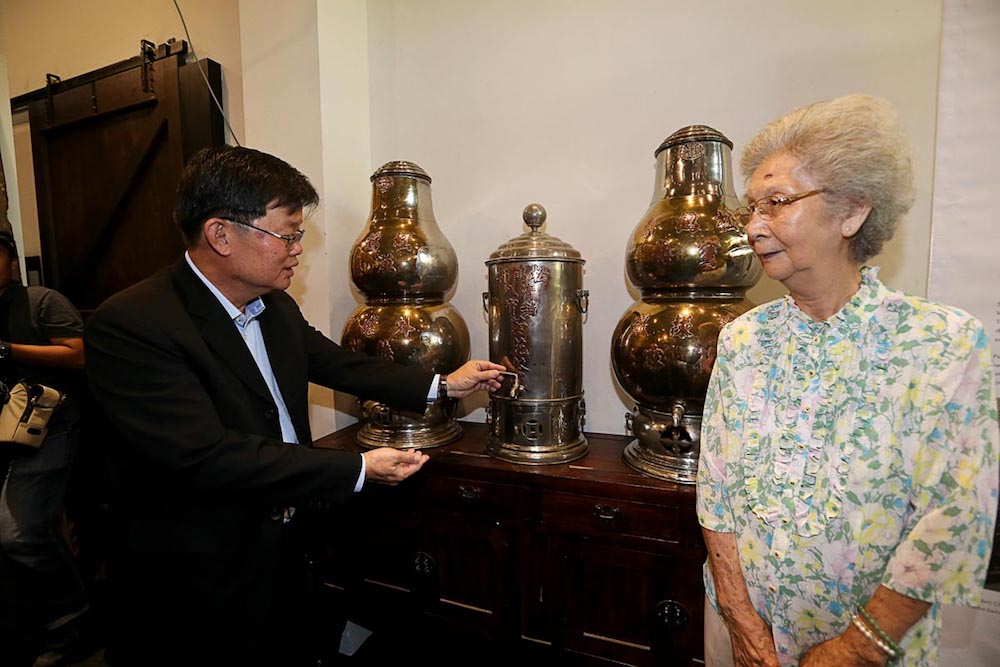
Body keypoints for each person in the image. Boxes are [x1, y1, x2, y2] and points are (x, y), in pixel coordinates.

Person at [84, 146, 504, 666]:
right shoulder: (133, 324)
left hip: (288, 545)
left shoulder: (273, 305)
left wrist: (441, 385)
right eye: (288, 234)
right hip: (201, 567)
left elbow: (341, 366)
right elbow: (203, 455)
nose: (297, 250)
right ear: (222, 235)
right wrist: (356, 467)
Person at [696, 94, 998, 667]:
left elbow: (954, 519)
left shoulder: (944, 345)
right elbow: (717, 492)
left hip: (874, 654)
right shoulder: (742, 339)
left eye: (777, 202)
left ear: (852, 212)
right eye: (751, 208)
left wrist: (856, 651)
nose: (754, 227)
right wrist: (740, 623)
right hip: (742, 638)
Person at [0, 229, 90, 667]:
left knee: (17, 532)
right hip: (3, 433)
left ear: (10, 260)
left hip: (50, 429)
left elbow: (80, 354)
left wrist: (9, 350)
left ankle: (71, 620)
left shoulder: (40, 301)